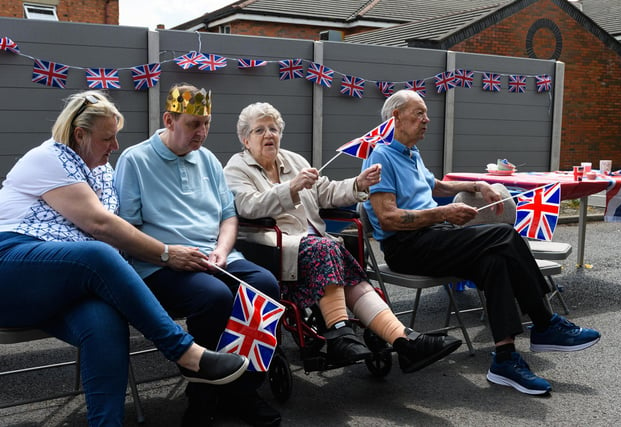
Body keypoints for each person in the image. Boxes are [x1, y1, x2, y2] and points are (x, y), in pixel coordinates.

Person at [0, 90, 249, 427]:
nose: (115, 145)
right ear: (80, 135)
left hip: (64, 285)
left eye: (117, 136)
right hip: (14, 265)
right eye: (107, 137)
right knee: (97, 253)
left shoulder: (102, 171)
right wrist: (165, 254)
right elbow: (100, 225)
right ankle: (184, 352)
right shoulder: (48, 158)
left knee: (104, 324)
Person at [362, 89, 601, 395]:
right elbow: (387, 217)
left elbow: (435, 185)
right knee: (503, 234)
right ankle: (544, 322)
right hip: (407, 247)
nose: (427, 120)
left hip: (435, 238)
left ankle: (504, 358)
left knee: (494, 260)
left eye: (425, 113)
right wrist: (443, 212)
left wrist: (477, 184)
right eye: (419, 113)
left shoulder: (411, 154)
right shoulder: (380, 156)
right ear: (395, 117)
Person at [223, 101, 462, 377]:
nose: (269, 135)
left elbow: (325, 192)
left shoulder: (294, 160)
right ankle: (339, 334)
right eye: (259, 130)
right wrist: (292, 187)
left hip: (315, 246)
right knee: (328, 248)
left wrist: (358, 184)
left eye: (273, 129)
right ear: (245, 139)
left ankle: (405, 339)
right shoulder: (236, 169)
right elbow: (247, 207)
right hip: (273, 247)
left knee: (353, 278)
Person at [113, 84, 280, 427]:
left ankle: (243, 391)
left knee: (264, 285)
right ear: (169, 120)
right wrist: (167, 254)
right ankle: (202, 398)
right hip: (159, 263)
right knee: (213, 296)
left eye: (206, 123)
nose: (201, 132)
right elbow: (125, 230)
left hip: (215, 257)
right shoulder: (135, 159)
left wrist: (221, 250)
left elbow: (228, 216)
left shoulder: (208, 159)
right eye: (192, 124)